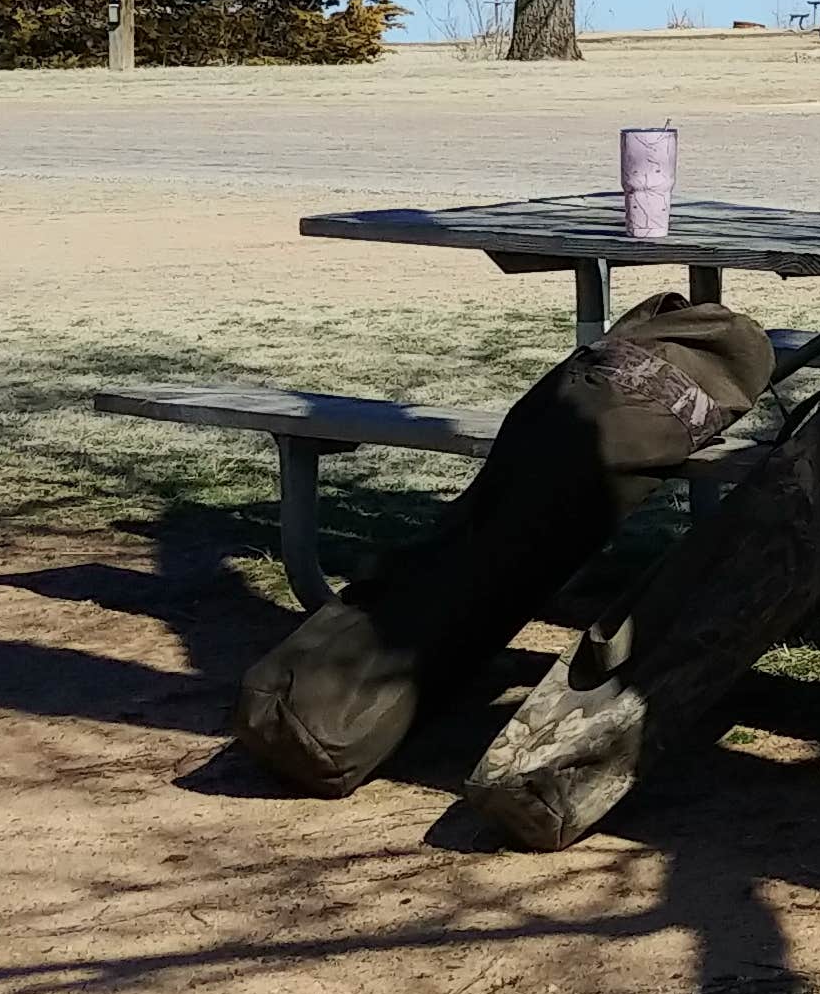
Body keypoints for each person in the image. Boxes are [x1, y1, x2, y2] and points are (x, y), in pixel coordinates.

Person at [232, 295, 774, 792]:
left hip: (578, 407)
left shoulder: (661, 331)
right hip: (604, 421)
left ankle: (337, 693)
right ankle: (339, 707)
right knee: (487, 565)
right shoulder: (729, 360)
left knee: (471, 557)